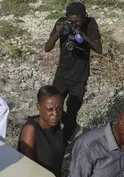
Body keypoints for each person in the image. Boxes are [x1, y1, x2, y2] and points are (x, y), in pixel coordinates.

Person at [44, 2, 101, 142]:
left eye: (78, 21)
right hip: (62, 74)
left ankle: (62, 143)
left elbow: (99, 49)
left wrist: (83, 35)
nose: (75, 23)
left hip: (79, 77)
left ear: (84, 17)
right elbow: (47, 47)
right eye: (72, 20)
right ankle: (59, 134)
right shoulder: (62, 23)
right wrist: (58, 33)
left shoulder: (90, 23)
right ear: (67, 17)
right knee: (53, 106)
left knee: (72, 112)